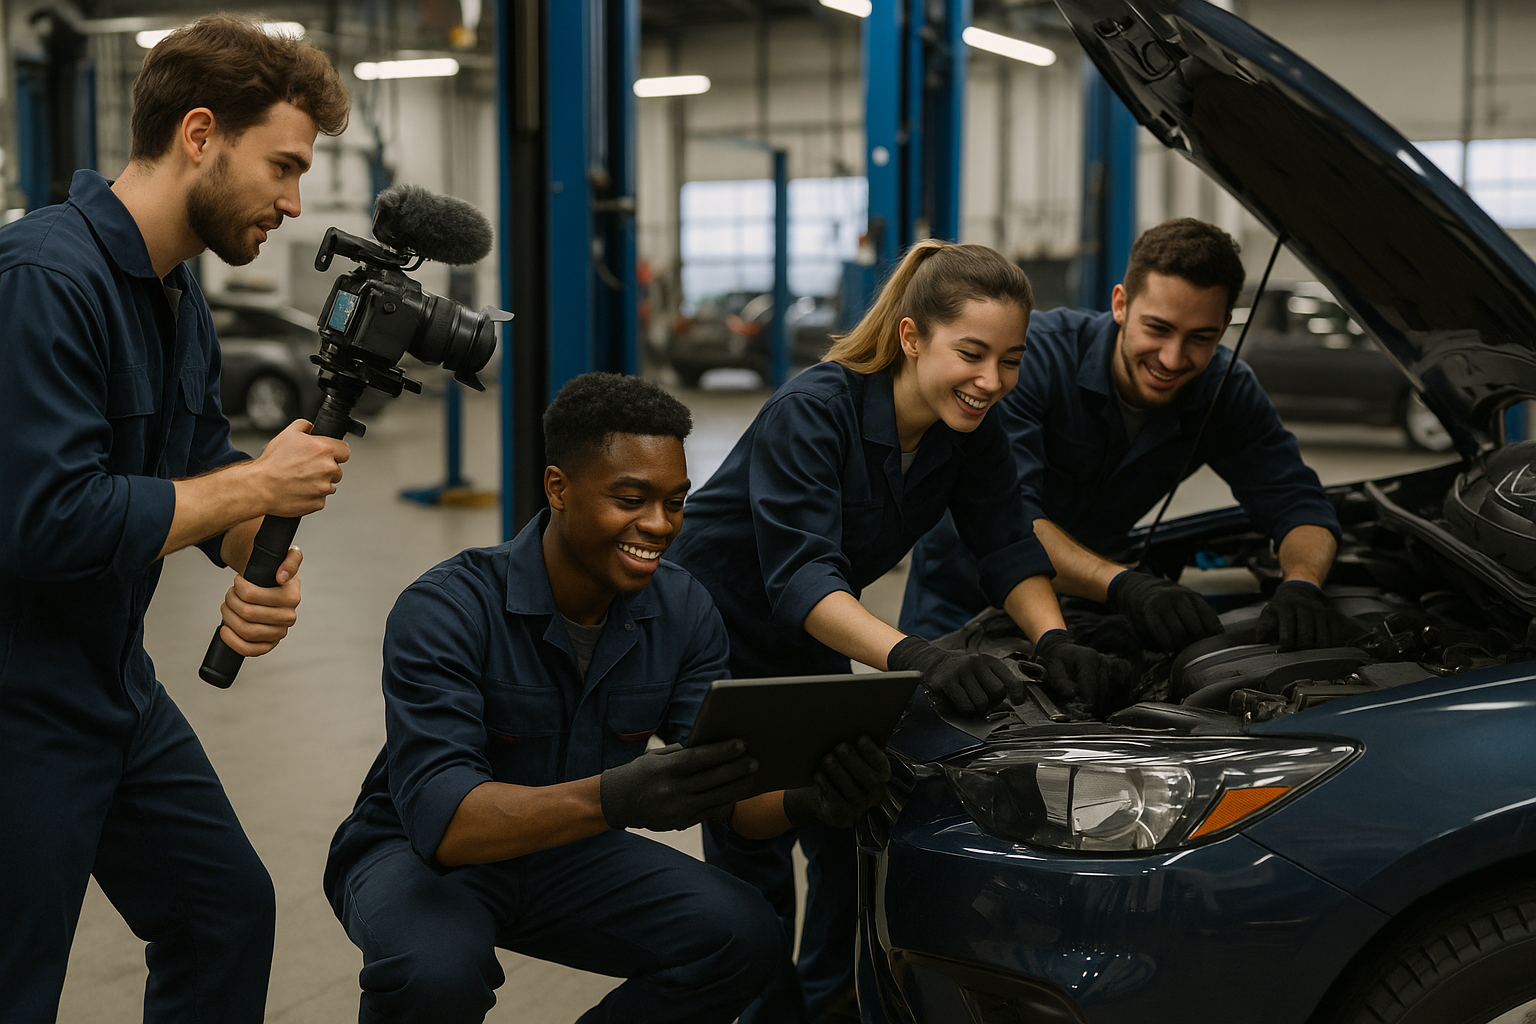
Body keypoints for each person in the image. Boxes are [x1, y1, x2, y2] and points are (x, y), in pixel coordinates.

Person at [323, 373, 891, 1024]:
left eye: (676, 501)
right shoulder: (447, 608)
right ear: (558, 487)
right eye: (631, 498)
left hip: (569, 846)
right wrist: (616, 797)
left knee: (745, 934)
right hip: (418, 850)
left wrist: (806, 798)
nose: (658, 526)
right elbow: (445, 824)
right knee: (437, 971)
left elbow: (734, 800)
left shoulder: (684, 610)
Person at [0, 16, 351, 1023]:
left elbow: (200, 478)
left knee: (222, 913)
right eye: (282, 167)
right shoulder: (41, 281)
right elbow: (46, 520)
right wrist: (256, 490)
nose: (292, 202)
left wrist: (262, 553)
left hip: (114, 686)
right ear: (200, 134)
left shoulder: (176, 294)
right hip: (18, 699)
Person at [666, 240, 1114, 1024]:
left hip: (808, 630)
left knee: (845, 824)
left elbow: (1006, 541)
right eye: (971, 354)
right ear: (912, 338)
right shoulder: (815, 411)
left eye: (1010, 361)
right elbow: (800, 574)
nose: (992, 382)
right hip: (714, 631)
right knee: (752, 846)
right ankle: (764, 1013)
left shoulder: (967, 431)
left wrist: (1053, 639)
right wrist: (916, 657)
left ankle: (830, 999)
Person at [900, 218, 1346, 656]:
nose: (1172, 358)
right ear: (1120, 304)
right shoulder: (1028, 360)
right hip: (959, 604)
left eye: (1201, 338)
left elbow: (1297, 501)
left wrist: (1301, 583)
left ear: (1227, 324)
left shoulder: (1225, 392)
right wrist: (1127, 585)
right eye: (1158, 328)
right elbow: (1013, 523)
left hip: (1083, 606)